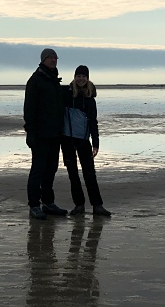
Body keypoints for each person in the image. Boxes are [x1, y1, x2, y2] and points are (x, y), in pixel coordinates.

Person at [24, 48, 68, 219]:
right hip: (40, 135)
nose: (53, 60)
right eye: (50, 57)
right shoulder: (36, 80)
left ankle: (48, 203)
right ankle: (34, 205)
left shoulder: (54, 80)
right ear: (43, 60)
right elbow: (29, 109)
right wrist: (30, 132)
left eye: (55, 57)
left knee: (51, 170)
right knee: (38, 170)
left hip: (55, 134)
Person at [61, 65, 111, 216]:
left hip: (83, 141)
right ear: (74, 77)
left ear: (87, 79)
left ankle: (97, 205)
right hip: (67, 140)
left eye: (83, 76)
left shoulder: (90, 100)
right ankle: (79, 205)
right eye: (78, 76)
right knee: (73, 173)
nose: (81, 79)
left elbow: (93, 123)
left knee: (89, 173)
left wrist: (96, 143)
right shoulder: (66, 94)